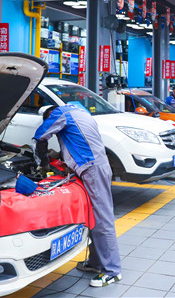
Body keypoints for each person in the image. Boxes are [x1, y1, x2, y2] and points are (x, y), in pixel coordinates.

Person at [33, 104, 121, 287]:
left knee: (102, 219)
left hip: (92, 169)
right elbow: (79, 142)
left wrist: (42, 162)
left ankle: (112, 271)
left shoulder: (60, 114)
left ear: (50, 114)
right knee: (93, 217)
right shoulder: (79, 110)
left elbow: (40, 136)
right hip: (96, 166)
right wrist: (60, 155)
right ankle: (96, 262)